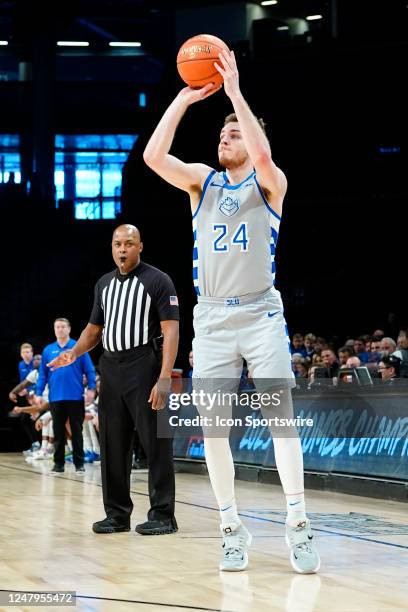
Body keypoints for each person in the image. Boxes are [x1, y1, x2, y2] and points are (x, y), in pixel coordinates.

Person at [143, 49, 319, 573]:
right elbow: (154, 157)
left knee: (280, 422)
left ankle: (298, 524)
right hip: (214, 319)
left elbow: (264, 157)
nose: (226, 137)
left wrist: (236, 93)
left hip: (262, 314)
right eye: (222, 133)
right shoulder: (203, 180)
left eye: (235, 133)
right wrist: (182, 98)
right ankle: (230, 526)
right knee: (214, 429)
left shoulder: (271, 184)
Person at [47, 224, 180, 536]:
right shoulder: (104, 284)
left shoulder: (158, 280)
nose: (123, 249)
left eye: (129, 243)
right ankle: (117, 514)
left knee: (156, 441)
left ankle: (163, 515)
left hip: (143, 364)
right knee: (113, 443)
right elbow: (94, 330)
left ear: (140, 246)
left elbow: (171, 329)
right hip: (111, 366)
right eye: (118, 243)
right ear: (112, 247)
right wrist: (74, 352)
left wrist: (163, 377)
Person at [34, 318, 96, 474]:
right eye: (57, 327)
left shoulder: (78, 347)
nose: (60, 329)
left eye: (63, 326)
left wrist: (91, 388)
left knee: (76, 431)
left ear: (69, 329)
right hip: (55, 397)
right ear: (54, 330)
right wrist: (38, 393)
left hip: (75, 396)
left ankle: (79, 463)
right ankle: (58, 464)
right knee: (58, 431)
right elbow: (43, 374)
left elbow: (89, 370)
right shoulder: (48, 350)